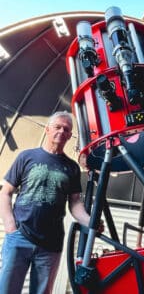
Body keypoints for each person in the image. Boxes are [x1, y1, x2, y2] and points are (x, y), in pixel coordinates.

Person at [0, 111, 93, 294]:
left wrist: (90, 222)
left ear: (69, 135)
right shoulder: (26, 157)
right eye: (57, 127)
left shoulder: (72, 168)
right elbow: (5, 193)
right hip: (19, 237)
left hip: (51, 245)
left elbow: (74, 203)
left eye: (66, 129)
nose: (61, 131)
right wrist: (11, 227)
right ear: (48, 129)